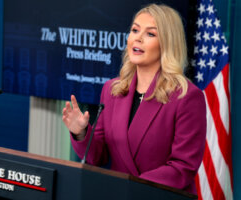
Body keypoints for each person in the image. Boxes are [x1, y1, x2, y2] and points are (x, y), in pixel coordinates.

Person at [62, 4, 206, 195]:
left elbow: (182, 168)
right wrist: (80, 133)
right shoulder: (112, 90)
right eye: (135, 30)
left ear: (168, 44)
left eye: (150, 34)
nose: (138, 37)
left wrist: (131, 187)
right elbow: (98, 156)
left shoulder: (187, 97)